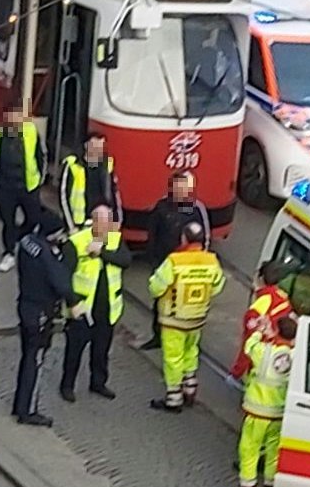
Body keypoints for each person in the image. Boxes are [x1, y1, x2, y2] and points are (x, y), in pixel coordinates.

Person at [147, 221, 224, 412]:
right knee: (191, 351)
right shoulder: (211, 261)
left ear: (184, 238)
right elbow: (217, 287)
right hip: (197, 318)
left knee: (173, 358)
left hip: (174, 319)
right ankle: (190, 387)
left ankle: (174, 398)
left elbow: (156, 287)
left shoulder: (174, 262)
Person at [11, 205, 71, 427]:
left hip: (25, 304)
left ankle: (19, 403)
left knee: (26, 356)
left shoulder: (27, 243)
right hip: (40, 312)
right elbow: (62, 284)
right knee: (35, 361)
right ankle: (28, 410)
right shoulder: (47, 255)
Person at [60, 205, 127, 402]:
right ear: (94, 222)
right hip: (83, 309)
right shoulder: (76, 243)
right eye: (103, 223)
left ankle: (98, 383)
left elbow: (125, 260)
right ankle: (67, 385)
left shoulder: (115, 239)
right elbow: (64, 277)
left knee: (101, 350)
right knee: (74, 351)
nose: (107, 228)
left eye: (109, 223)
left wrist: (102, 253)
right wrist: (72, 303)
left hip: (107, 308)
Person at [232, 314, 297, 487]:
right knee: (273, 456)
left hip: (257, 412)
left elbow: (248, 347)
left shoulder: (263, 351)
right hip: (279, 415)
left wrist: (260, 331)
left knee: (249, 453)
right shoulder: (297, 356)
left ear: (276, 331)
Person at [138, 171, 209, 351]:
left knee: (185, 304)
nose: (180, 192)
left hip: (186, 268)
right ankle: (158, 335)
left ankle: (184, 338)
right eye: (177, 188)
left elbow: (204, 237)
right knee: (160, 302)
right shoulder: (162, 207)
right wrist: (153, 262)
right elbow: (152, 234)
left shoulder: (195, 208)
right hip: (164, 264)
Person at [0, 109, 44, 269]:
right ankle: (9, 253)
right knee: (8, 222)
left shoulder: (31, 131)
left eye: (18, 115)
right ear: (5, 118)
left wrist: (40, 179)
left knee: (34, 218)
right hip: (6, 187)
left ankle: (21, 237)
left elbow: (40, 156)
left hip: (28, 186)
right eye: (11, 116)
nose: (15, 119)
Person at [229, 259, 292, 380]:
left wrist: (236, 372)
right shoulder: (284, 299)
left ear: (260, 278)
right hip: (280, 359)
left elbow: (249, 345)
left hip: (261, 363)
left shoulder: (257, 309)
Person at [59, 132, 120, 231]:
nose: (98, 150)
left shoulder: (106, 165)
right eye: (95, 146)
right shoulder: (73, 165)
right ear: (86, 145)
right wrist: (71, 226)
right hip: (80, 223)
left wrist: (116, 219)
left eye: (101, 146)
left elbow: (114, 193)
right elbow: (63, 197)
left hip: (102, 221)